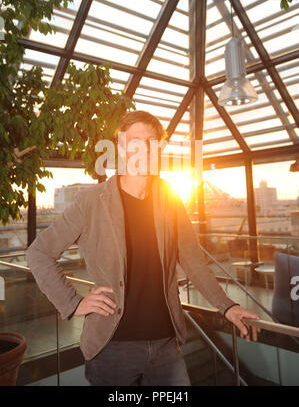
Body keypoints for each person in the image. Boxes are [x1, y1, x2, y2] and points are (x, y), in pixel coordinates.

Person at [26, 110, 260, 386]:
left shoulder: (171, 199)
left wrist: (227, 306)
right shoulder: (91, 202)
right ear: (121, 147)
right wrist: (73, 303)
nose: (145, 149)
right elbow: (39, 253)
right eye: (136, 140)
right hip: (112, 346)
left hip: (165, 344)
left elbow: (194, 262)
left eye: (152, 141)